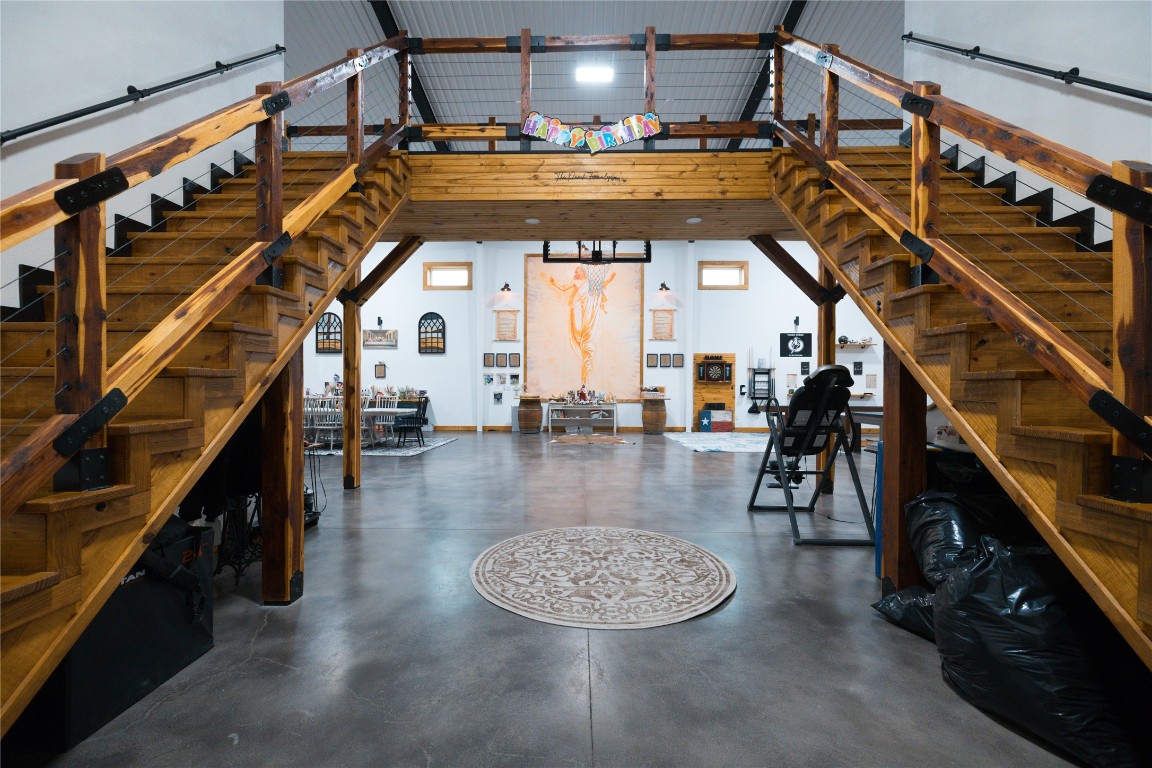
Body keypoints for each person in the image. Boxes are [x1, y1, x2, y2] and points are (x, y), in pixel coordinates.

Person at [542, 262, 615, 386]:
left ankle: (585, 346)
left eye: (577, 271)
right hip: (577, 304)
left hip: (588, 306)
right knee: (577, 327)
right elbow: (564, 287)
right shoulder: (575, 282)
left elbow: (602, 284)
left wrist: (611, 279)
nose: (575, 273)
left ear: (583, 272)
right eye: (575, 271)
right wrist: (554, 283)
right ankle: (582, 343)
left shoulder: (591, 282)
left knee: (587, 327)